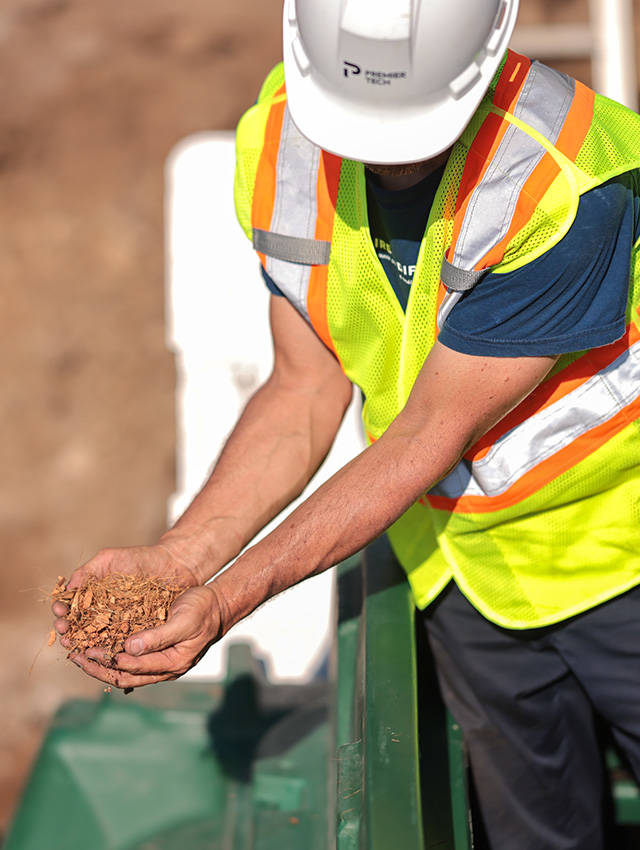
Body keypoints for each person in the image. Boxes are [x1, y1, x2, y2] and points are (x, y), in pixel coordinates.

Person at [53, 0, 640, 846]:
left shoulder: (567, 180)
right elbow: (303, 390)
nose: (376, 154)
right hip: (464, 571)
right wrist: (181, 559)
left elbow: (425, 434)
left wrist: (226, 601)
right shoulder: (282, 145)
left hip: (617, 556)